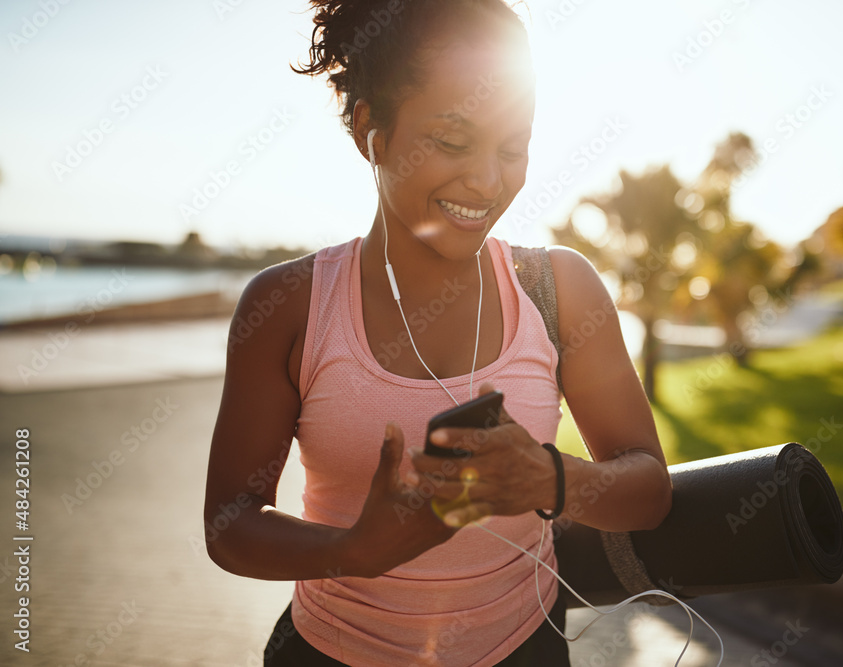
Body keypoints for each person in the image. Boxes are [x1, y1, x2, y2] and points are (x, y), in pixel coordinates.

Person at [202, 1, 672, 665]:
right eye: (453, 142)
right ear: (372, 129)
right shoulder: (288, 304)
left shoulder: (561, 290)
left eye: (513, 148)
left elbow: (649, 490)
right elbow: (229, 523)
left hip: (524, 648)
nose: (486, 179)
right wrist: (351, 550)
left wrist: (548, 478)